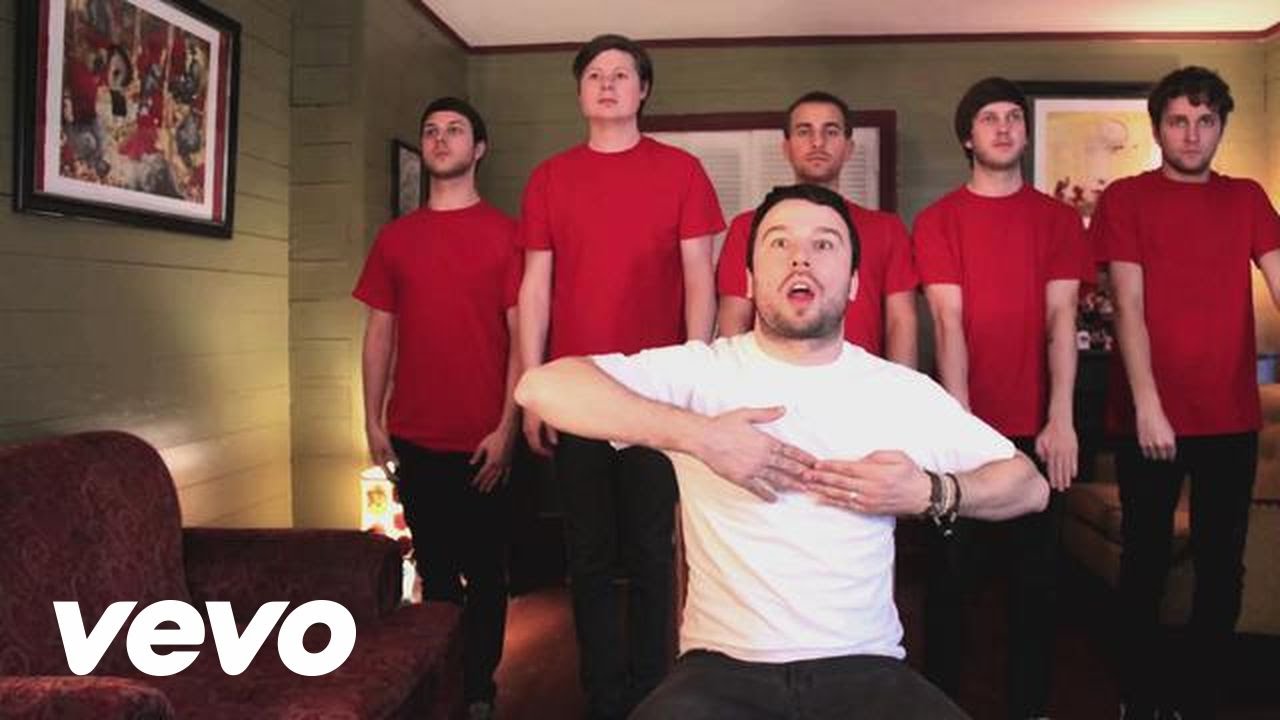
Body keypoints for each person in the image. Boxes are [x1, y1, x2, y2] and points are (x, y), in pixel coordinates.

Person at [516, 184, 1049, 720]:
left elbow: (1029, 486)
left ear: (854, 282)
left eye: (824, 244)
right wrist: (699, 436)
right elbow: (541, 387)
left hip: (864, 668)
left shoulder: (896, 390)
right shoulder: (702, 372)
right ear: (749, 280)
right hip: (720, 672)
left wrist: (931, 492)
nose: (801, 258)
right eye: (779, 243)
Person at [515, 33, 725, 719]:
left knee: (652, 551)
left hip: (657, 396)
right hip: (578, 394)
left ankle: (655, 692)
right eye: (595, 75)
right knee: (589, 556)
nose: (607, 84)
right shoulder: (550, 177)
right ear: (581, 92)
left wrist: (692, 381)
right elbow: (536, 288)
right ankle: (603, 697)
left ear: (643, 91)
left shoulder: (682, 172)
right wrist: (533, 389)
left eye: (621, 75)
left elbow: (700, 281)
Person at [1091, 65, 1280, 720]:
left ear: (1221, 126)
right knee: (1145, 563)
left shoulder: (1248, 198)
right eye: (1179, 121)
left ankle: (1202, 699)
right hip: (1148, 418)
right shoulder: (1126, 198)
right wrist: (1149, 406)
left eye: (1205, 121)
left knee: (1222, 566)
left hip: (1231, 415)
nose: (1193, 134)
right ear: (1158, 129)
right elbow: (1128, 305)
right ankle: (1139, 698)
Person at [913, 77, 1091, 719]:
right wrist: (962, 433)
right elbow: (948, 323)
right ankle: (941, 708)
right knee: (950, 585)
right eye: (989, 117)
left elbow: (1061, 317)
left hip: (1040, 432)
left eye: (1014, 116)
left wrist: (1061, 419)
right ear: (968, 136)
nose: (1005, 126)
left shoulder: (1058, 220)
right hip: (964, 432)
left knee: (1036, 590)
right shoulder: (938, 220)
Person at [353, 97, 519, 720]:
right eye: (431, 131)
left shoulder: (508, 235)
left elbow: (522, 340)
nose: (441, 139)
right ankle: (447, 688)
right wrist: (372, 419)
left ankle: (479, 689)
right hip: (415, 436)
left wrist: (508, 428)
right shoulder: (396, 238)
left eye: (455, 130)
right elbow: (379, 333)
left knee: (488, 575)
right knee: (437, 575)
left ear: (479, 149)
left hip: (485, 441)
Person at [717, 91, 918, 366]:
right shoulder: (749, 227)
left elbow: (901, 322)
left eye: (831, 131)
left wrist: (900, 388)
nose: (817, 142)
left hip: (860, 383)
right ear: (786, 147)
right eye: (804, 131)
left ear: (849, 148)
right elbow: (734, 318)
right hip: (770, 382)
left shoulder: (887, 229)